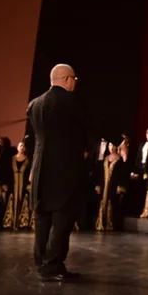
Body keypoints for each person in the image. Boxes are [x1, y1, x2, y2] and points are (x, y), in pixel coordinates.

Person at [27, 64, 87, 282]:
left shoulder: (34, 104)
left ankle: (42, 261)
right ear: (67, 79)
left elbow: (37, 141)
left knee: (42, 219)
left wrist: (34, 169)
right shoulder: (71, 102)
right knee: (62, 222)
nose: (75, 83)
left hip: (41, 170)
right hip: (65, 172)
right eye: (74, 78)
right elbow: (82, 134)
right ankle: (52, 266)